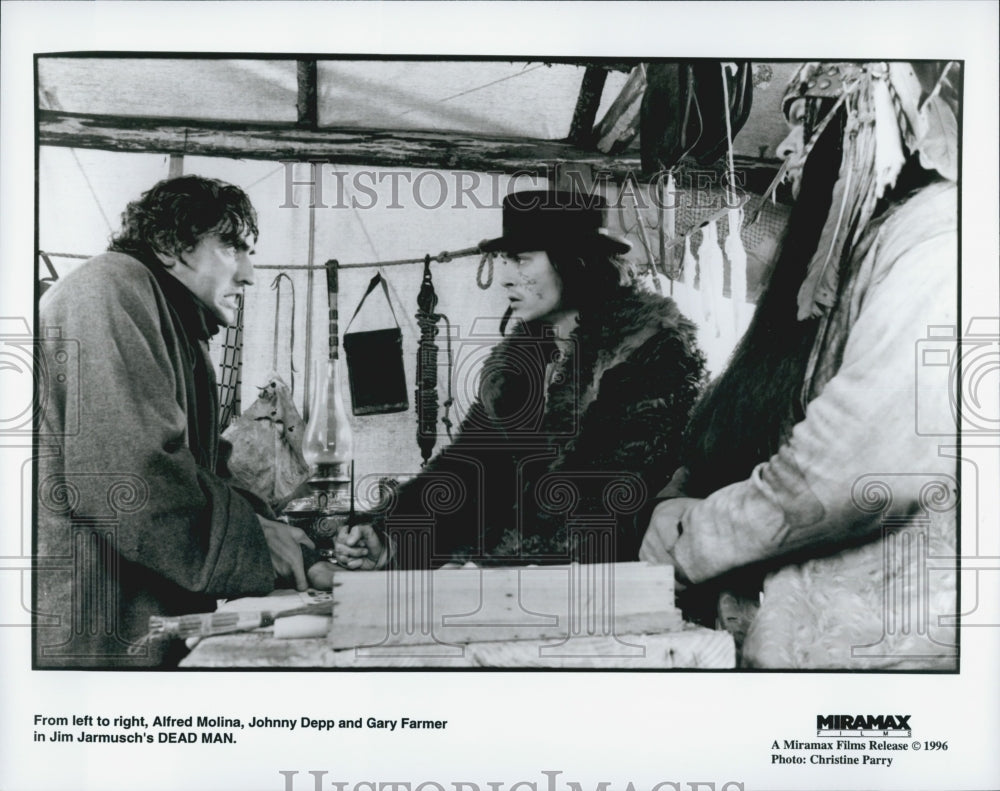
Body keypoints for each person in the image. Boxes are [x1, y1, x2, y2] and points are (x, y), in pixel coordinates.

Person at [639, 62, 960, 669]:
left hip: (899, 659)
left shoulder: (941, 238)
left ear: (868, 128)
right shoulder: (881, 246)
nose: (786, 148)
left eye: (808, 125)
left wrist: (694, 537)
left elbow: (853, 473)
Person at [34, 175, 334, 667]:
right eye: (232, 247)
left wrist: (298, 550)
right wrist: (259, 544)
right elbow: (132, 480)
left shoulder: (170, 321)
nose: (250, 274)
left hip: (129, 630)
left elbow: (200, 474)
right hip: (90, 641)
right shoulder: (109, 290)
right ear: (171, 245)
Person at [334, 189, 706, 569]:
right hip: (524, 579)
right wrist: (388, 534)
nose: (505, 279)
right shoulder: (523, 363)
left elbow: (606, 498)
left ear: (574, 261)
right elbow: (468, 468)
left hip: (620, 585)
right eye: (503, 261)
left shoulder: (651, 352)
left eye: (520, 260)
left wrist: (488, 565)